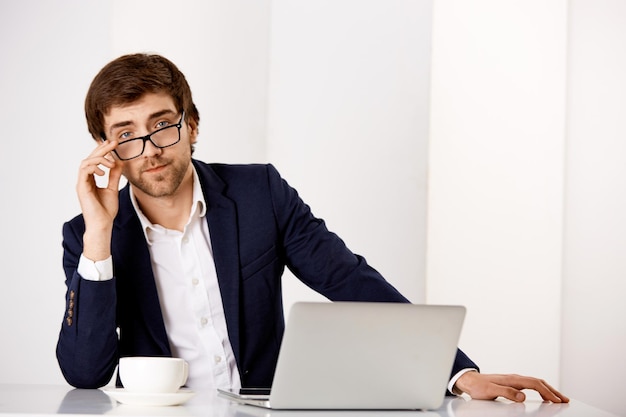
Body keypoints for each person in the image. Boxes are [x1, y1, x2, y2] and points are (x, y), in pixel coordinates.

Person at [56, 53, 569, 404]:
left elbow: (349, 280)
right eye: (126, 135)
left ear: (191, 126)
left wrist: (457, 373)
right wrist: (100, 236)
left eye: (163, 125)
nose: (150, 149)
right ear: (106, 150)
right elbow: (85, 373)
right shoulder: (88, 236)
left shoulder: (259, 194)